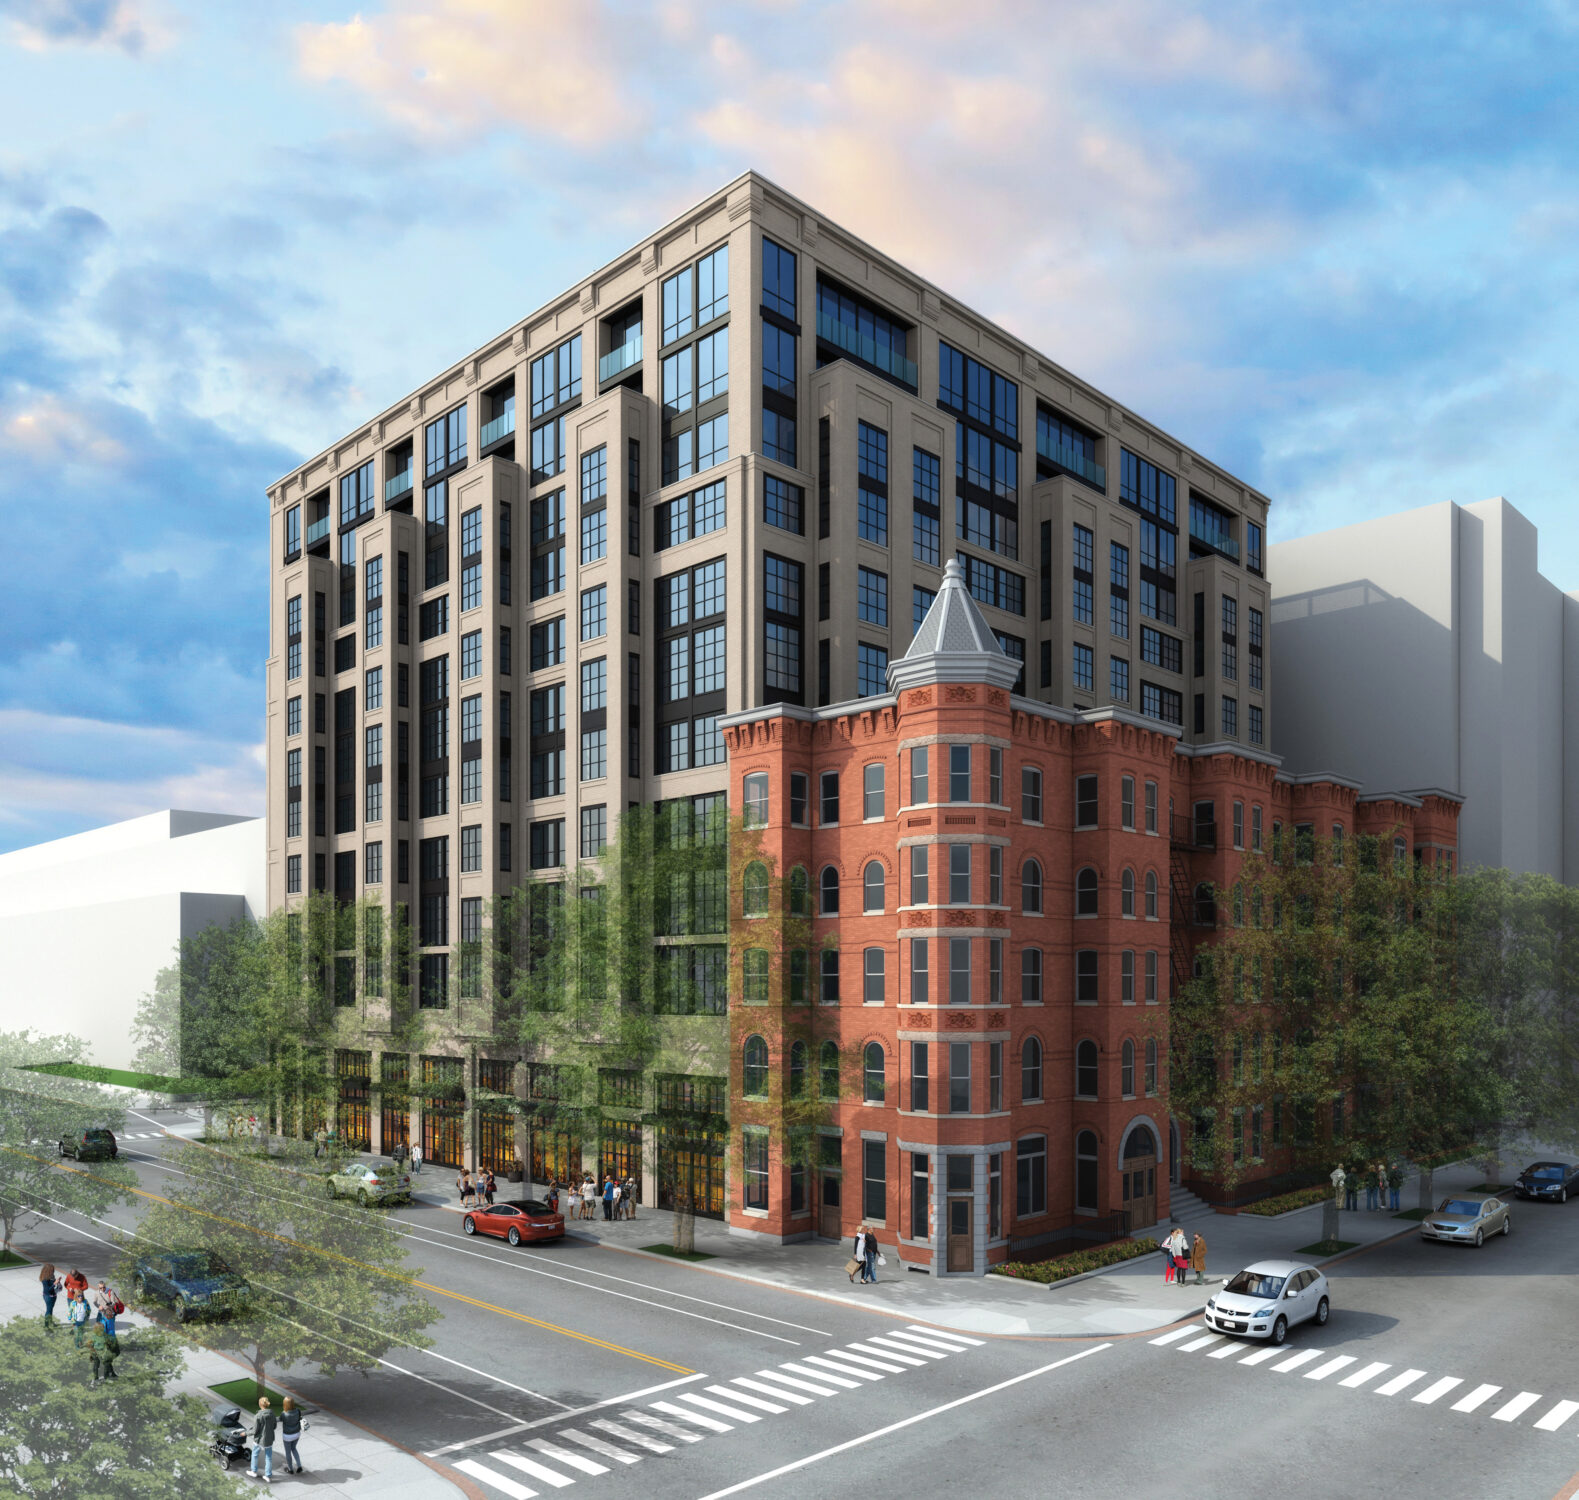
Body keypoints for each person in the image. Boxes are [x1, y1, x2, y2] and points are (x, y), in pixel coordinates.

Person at [251, 1397, 278, 1483]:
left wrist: (246, 1433)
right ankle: (268, 1476)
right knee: (268, 1457)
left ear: (260, 1404)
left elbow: (255, 1430)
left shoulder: (258, 1416)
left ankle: (254, 1471)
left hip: (259, 1440)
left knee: (255, 1454)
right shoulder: (272, 1413)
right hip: (269, 1439)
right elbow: (274, 1426)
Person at [279, 1396, 305, 1475]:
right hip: (297, 1434)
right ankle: (299, 1465)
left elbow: (280, 1419)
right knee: (294, 1448)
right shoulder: (298, 1410)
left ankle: (290, 1469)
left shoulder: (284, 1413)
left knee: (288, 1452)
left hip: (287, 1436)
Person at [39, 1263, 60, 1328]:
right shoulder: (44, 1279)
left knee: (50, 1310)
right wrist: (55, 1283)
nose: (53, 1271)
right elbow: (48, 1289)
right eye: (52, 1270)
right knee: (48, 1310)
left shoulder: (51, 1276)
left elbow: (53, 1286)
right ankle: (46, 1325)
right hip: (48, 1296)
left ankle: (50, 1322)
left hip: (53, 1295)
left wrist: (57, 1282)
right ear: (48, 1271)